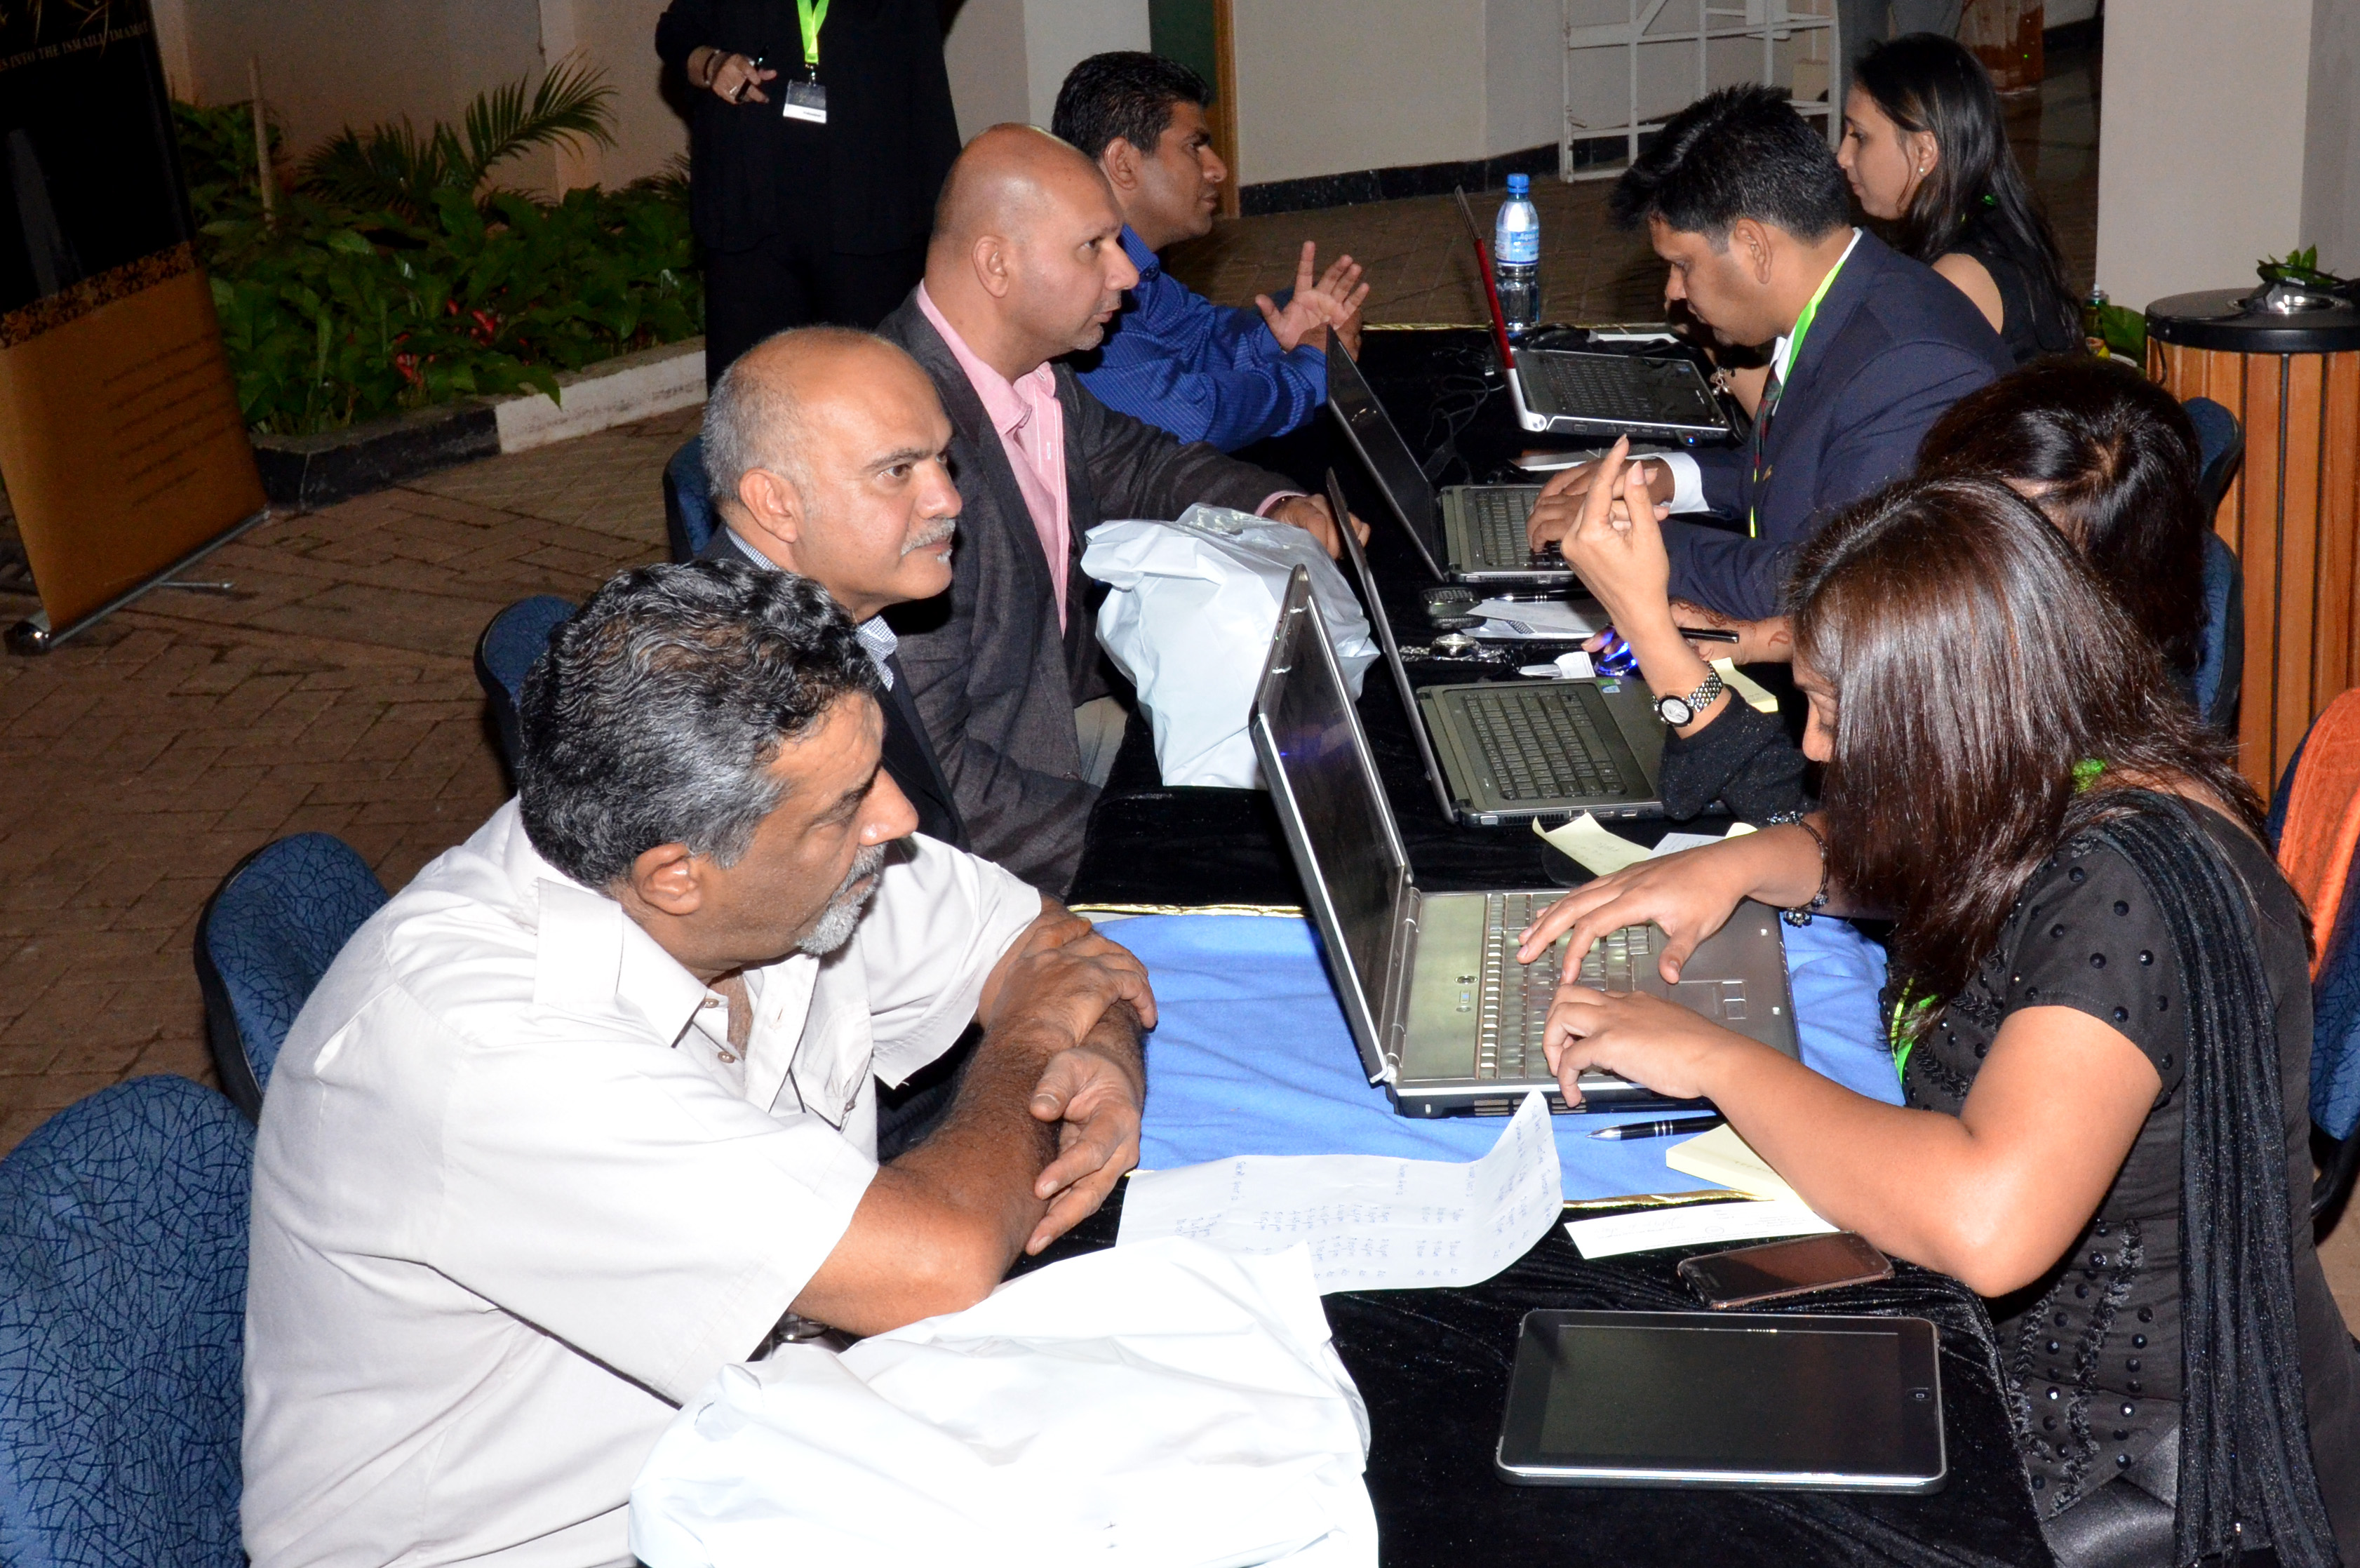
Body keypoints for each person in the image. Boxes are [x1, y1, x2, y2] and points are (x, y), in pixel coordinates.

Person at [241, 563, 1155, 1568]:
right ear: (677, 875)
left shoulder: (762, 850)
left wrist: (1100, 1058)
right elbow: (936, 1265)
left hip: (757, 1459)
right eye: (846, 805)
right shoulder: (489, 1048)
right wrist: (1038, 1048)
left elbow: (1059, 951)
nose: (897, 818)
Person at [1519, 477, 2360, 1567]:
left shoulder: (2124, 892)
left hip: (2144, 1466)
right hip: (2048, 1372)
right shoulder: (2062, 763)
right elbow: (1910, 850)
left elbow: (1985, 1222)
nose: (1816, 749)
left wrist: (1714, 1055)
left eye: (1833, 709)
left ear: (1949, 710)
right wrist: (1737, 863)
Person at [874, 123, 1356, 895]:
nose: (1128, 273)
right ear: (996, 264)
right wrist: (1140, 841)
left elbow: (1140, 462)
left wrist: (1276, 503)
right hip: (973, 830)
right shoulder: (895, 446)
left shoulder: (1034, 372)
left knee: (1312, 776)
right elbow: (932, 773)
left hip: (1051, 713)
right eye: (1092, 247)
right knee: (1256, 863)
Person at [1547, 359, 2217, 823]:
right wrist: (1752, 638)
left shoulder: (2060, 794)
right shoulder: (2087, 675)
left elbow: (1825, 824)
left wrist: (1651, 633)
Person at [1524, 83, 2010, 622]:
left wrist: (1626, 538)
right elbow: (1801, 474)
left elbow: (1817, 586)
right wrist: (1659, 477)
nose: (1674, 293)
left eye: (1683, 265)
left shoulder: (1911, 367)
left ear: (1754, 246)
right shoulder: (1845, 297)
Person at [697, 325, 966, 850]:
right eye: (897, 470)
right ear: (776, 504)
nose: (948, 500)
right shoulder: (751, 708)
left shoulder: (834, 614)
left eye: (941, 459)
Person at [1050, 51, 1369, 452]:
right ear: (1124, 163)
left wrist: (1278, 335)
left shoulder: (1138, 268)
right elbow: (1191, 420)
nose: (1217, 169)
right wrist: (1310, 369)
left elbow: (1201, 338)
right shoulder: (1078, 286)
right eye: (1194, 146)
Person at [655, 0, 960, 387]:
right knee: (755, 407)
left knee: (871, 398)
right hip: (752, 207)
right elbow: (678, 30)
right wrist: (714, 64)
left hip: (869, 209)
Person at [1840, 34, 2081, 364]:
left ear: (1924, 151)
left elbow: (1873, 409)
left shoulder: (1959, 278)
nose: (1842, 156)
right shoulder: (1995, 220)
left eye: (1860, 137)